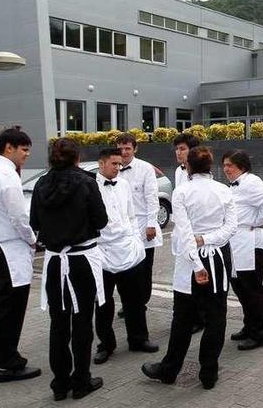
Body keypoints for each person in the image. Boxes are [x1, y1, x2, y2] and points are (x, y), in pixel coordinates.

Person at [141, 147, 237, 390]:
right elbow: (230, 228)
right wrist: (209, 239)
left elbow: (184, 233)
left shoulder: (183, 191)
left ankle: (170, 369)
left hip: (191, 258)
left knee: (183, 317)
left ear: (189, 167)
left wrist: (197, 259)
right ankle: (208, 372)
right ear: (210, 166)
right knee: (216, 315)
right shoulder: (223, 190)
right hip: (217, 256)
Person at [31, 138, 108, 401]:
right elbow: (101, 219)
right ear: (77, 157)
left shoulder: (41, 183)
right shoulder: (87, 182)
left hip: (54, 263)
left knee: (59, 324)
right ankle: (81, 380)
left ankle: (60, 384)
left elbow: (34, 222)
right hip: (81, 260)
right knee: (83, 322)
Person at [0, 127, 42, 383]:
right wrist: (32, 240)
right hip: (8, 249)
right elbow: (18, 217)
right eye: (24, 149)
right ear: (9, 148)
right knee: (10, 309)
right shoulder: (6, 174)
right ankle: (7, 363)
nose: (26, 155)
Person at [93, 148, 158, 365]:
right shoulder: (91, 187)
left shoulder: (123, 185)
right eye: (114, 164)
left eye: (120, 164)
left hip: (127, 249)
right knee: (104, 303)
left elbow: (131, 215)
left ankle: (139, 339)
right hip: (103, 251)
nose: (118, 168)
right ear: (101, 164)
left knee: (135, 300)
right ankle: (106, 344)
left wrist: (134, 240)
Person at [222, 150, 263, 351]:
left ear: (242, 167)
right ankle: (249, 327)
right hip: (239, 243)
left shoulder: (250, 182)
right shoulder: (236, 185)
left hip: (253, 244)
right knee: (241, 287)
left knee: (253, 289)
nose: (226, 169)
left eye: (230, 165)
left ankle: (259, 334)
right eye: (225, 165)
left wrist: (259, 220)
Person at [115, 133, 162, 314]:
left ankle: (140, 303)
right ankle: (129, 302)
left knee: (144, 269)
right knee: (124, 268)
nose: (124, 152)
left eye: (128, 148)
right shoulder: (113, 167)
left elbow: (152, 198)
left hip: (143, 226)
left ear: (135, 149)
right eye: (121, 148)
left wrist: (151, 224)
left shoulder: (145, 168)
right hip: (122, 229)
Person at [172, 132, 206, 334]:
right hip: (181, 231)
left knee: (197, 274)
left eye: (182, 148)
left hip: (196, 232)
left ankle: (200, 317)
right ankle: (189, 314)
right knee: (184, 276)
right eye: (177, 149)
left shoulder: (199, 175)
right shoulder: (179, 171)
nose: (178, 152)